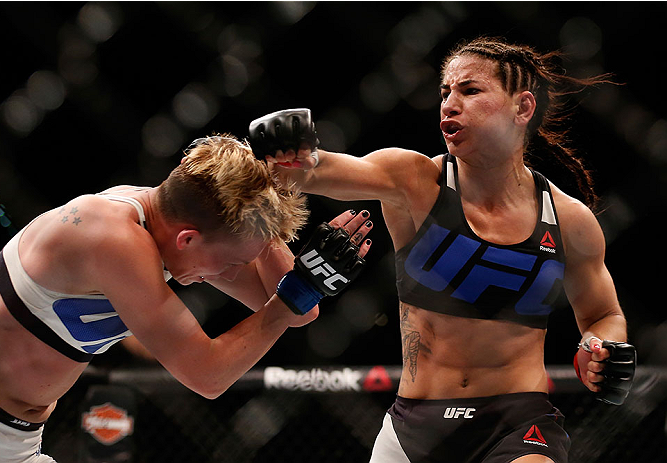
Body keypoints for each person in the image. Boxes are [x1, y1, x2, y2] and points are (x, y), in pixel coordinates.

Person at [248, 37, 636, 463]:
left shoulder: (568, 220)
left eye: (469, 90)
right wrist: (292, 151)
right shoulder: (415, 181)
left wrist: (601, 348)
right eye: (445, 92)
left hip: (517, 425)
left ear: (522, 108)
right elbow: (319, 171)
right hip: (412, 428)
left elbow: (603, 314)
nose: (449, 104)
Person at [0, 134, 373, 462]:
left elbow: (293, 309)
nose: (231, 276)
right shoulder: (112, 238)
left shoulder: (167, 229)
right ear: (188, 239)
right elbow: (209, 374)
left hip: (9, 441)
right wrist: (297, 294)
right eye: (233, 263)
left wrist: (266, 195)